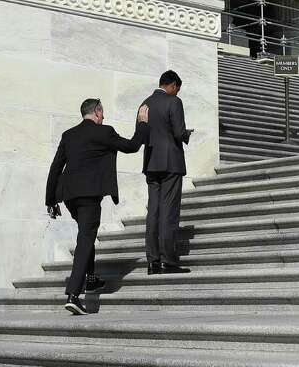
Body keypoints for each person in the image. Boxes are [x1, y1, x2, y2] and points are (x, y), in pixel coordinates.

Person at [45, 98, 148, 315]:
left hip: (70, 197)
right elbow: (131, 146)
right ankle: (74, 294)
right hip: (90, 196)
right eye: (103, 112)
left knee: (86, 234)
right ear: (98, 112)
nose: (104, 117)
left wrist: (50, 200)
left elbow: (55, 168)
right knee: (85, 238)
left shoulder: (69, 135)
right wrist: (142, 123)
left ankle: (91, 279)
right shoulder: (104, 132)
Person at [138, 70, 192, 275]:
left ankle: (152, 261)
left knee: (153, 211)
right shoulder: (174, 102)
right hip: (171, 163)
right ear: (172, 85)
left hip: (151, 162)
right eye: (177, 89)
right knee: (169, 212)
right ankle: (168, 260)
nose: (177, 93)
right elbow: (178, 132)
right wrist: (186, 134)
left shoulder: (144, 103)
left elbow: (141, 134)